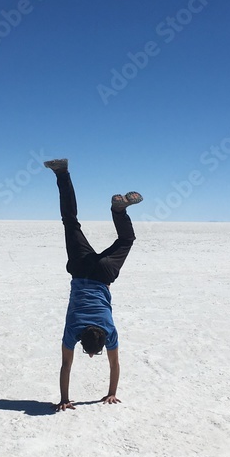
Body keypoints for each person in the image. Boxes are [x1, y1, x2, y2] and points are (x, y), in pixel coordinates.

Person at [44, 158, 142, 412]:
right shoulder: (73, 330)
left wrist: (112, 392)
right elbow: (66, 366)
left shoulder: (109, 330)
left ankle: (118, 211)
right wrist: (64, 399)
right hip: (80, 267)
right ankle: (61, 172)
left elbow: (114, 366)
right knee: (70, 221)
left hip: (103, 273)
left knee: (127, 239)